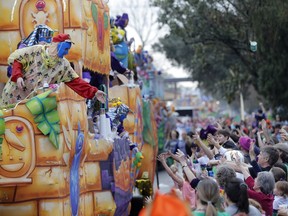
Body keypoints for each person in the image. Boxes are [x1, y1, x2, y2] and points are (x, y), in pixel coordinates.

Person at [0, 33, 106, 107]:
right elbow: (18, 60)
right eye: (65, 49)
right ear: (56, 46)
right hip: (13, 95)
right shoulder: (35, 51)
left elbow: (76, 82)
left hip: (32, 103)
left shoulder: (63, 65)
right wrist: (17, 76)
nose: (66, 52)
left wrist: (94, 92)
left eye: (68, 50)